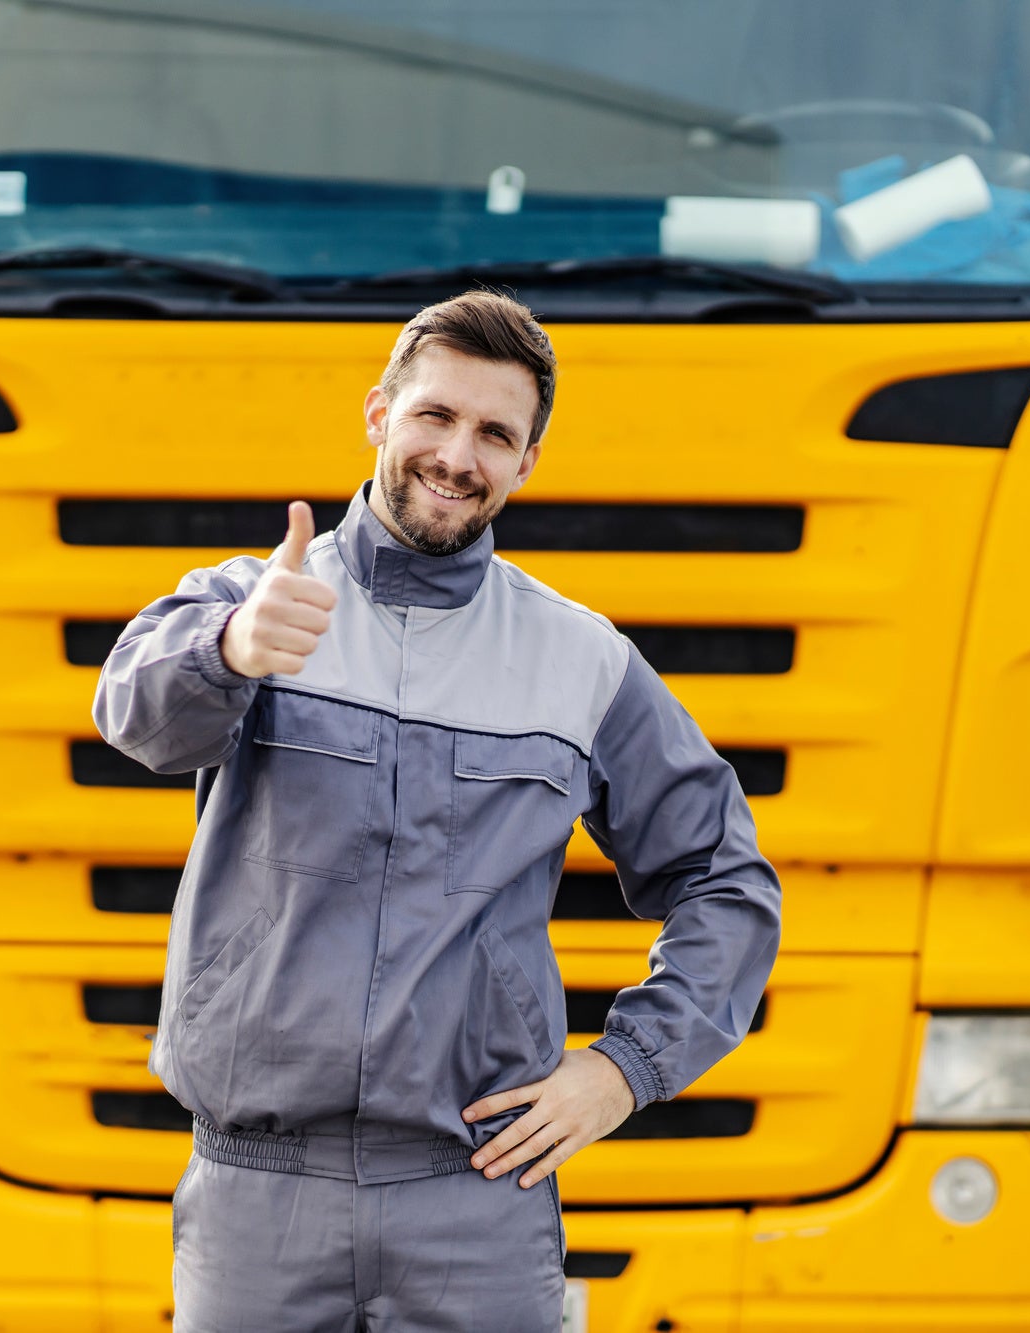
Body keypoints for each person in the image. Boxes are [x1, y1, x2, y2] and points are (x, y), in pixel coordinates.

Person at [94, 290, 781, 1332]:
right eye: (434, 416)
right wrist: (229, 650)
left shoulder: (582, 660)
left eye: (494, 434)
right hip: (256, 1192)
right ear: (378, 413)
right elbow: (132, 716)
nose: (457, 456)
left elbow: (726, 882)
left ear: (525, 463)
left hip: (475, 1197)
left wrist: (623, 1070)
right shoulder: (257, 597)